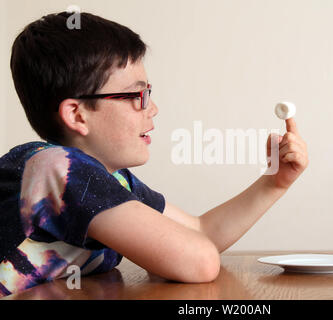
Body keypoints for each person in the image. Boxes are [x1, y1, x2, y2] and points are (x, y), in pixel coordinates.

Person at [0, 11, 308, 298]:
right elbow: (199, 261)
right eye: (137, 95)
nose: (153, 108)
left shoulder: (111, 179)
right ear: (77, 115)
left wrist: (274, 182)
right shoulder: (56, 169)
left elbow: (202, 233)